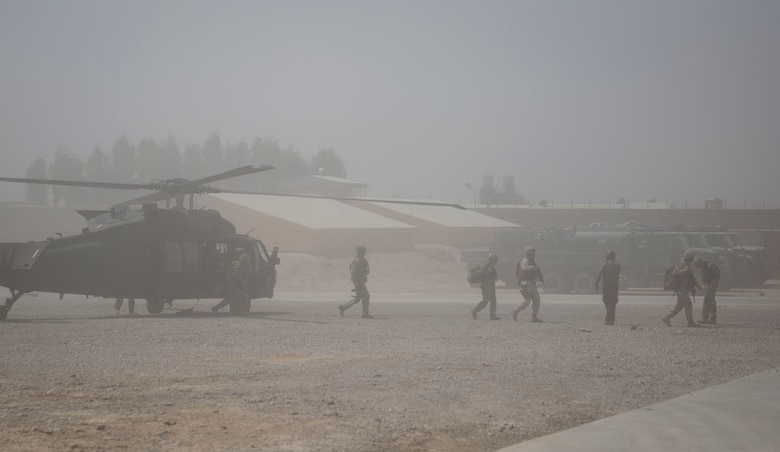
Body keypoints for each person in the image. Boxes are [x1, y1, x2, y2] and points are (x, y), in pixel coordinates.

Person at [662, 251, 702, 327]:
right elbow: (675, 273)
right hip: (681, 289)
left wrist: (698, 285)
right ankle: (690, 321)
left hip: (684, 289)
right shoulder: (682, 265)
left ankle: (667, 317)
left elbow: (692, 278)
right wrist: (685, 270)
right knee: (688, 304)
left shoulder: (687, 265)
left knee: (679, 306)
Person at [512, 247, 544, 323]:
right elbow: (524, 267)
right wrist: (532, 268)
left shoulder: (531, 261)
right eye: (532, 253)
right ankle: (516, 310)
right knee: (530, 300)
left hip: (531, 283)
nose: (533, 255)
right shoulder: (525, 261)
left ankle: (533, 316)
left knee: (534, 300)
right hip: (526, 283)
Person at [339, 245, 372, 318]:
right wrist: (357, 283)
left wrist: (364, 277)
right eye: (361, 252)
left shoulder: (363, 260)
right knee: (366, 296)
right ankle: (365, 314)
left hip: (361, 281)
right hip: (359, 282)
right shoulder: (357, 261)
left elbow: (365, 270)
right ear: (358, 252)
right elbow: (353, 273)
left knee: (358, 298)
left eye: (363, 252)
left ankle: (343, 307)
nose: (363, 253)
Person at [594, 250, 621, 325]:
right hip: (615, 287)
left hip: (606, 287)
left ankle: (608, 318)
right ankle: (611, 318)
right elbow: (618, 273)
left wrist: (596, 284)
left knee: (606, 301)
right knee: (613, 302)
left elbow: (598, 275)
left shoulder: (604, 265)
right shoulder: (618, 265)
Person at [471, 253, 500, 320]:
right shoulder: (486, 266)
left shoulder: (491, 267)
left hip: (491, 286)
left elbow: (495, 276)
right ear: (491, 260)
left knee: (493, 301)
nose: (496, 261)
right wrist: (488, 273)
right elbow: (482, 274)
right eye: (495, 260)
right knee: (485, 301)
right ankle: (475, 310)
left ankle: (492, 315)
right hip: (486, 286)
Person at [695, 257, 720, 324]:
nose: (700, 267)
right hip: (708, 285)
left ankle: (705, 318)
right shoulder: (703, 268)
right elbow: (702, 277)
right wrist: (703, 284)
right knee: (711, 301)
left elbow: (717, 276)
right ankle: (712, 318)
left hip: (713, 284)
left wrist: (712, 285)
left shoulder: (710, 265)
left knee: (707, 300)